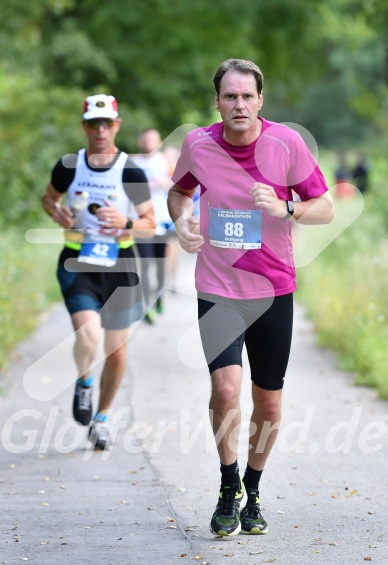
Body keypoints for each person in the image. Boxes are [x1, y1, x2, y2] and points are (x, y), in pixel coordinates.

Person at [168, 59, 334, 536]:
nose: (238, 104)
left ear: (260, 100)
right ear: (217, 101)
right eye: (229, 96)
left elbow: (324, 208)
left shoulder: (287, 143)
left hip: (273, 290)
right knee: (224, 388)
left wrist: (285, 206)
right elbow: (178, 194)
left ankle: (254, 490)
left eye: (247, 96)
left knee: (270, 402)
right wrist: (182, 224)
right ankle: (227, 483)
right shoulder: (198, 144)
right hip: (218, 288)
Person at [42, 94, 155, 450]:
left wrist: (126, 222)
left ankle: (103, 418)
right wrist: (55, 211)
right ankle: (84, 380)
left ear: (117, 125)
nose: (101, 130)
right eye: (94, 123)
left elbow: (150, 224)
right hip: (78, 263)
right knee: (88, 335)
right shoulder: (69, 166)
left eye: (107, 123)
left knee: (117, 350)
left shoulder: (131, 171)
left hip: (119, 266)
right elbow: (48, 198)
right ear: (85, 126)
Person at [131, 129, 172, 321]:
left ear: (159, 142)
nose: (148, 144)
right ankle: (146, 304)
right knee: (145, 264)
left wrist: (168, 183)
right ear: (141, 142)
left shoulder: (165, 162)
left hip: (161, 220)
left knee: (160, 262)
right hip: (141, 221)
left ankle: (160, 295)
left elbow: (180, 185)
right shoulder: (134, 164)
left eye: (152, 140)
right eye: (145, 140)